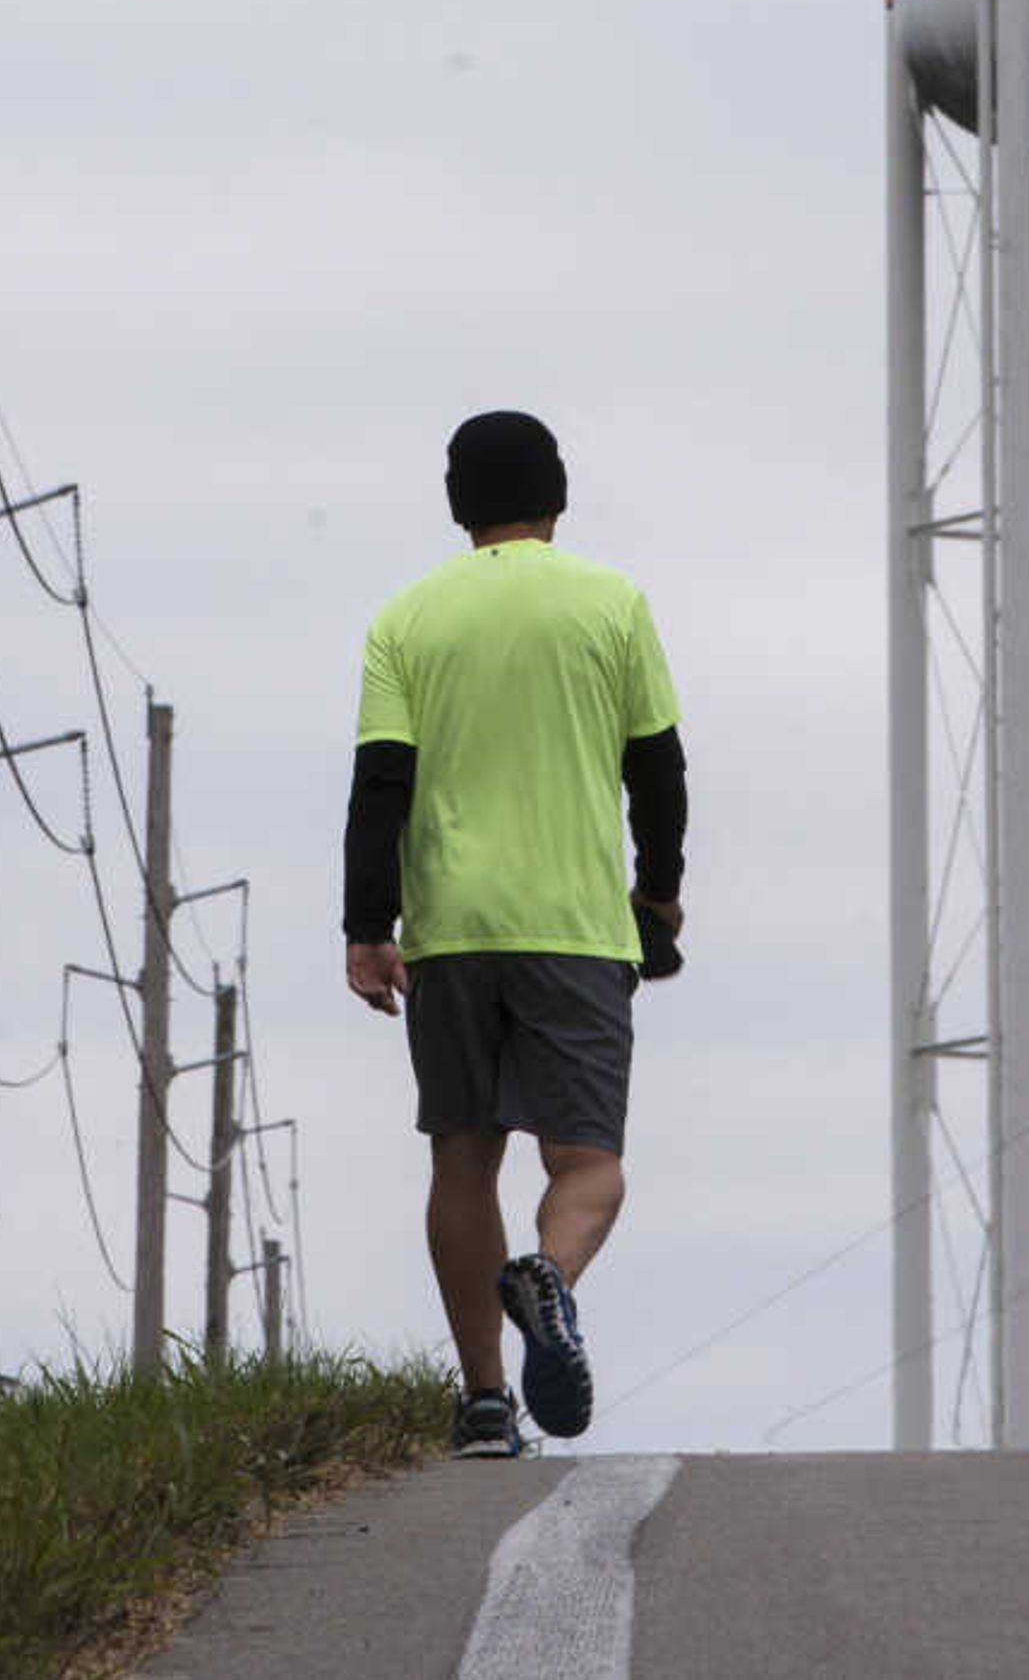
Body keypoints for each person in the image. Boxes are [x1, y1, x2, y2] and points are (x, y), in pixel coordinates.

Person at [343, 410, 688, 1459]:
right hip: (578, 927)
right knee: (586, 1163)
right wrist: (658, 896)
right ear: (559, 496)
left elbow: (380, 786)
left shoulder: (404, 620)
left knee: (462, 1158)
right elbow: (658, 769)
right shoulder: (612, 602)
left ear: (458, 505)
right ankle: (551, 1276)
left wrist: (368, 928)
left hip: (449, 930)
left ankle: (488, 1401)